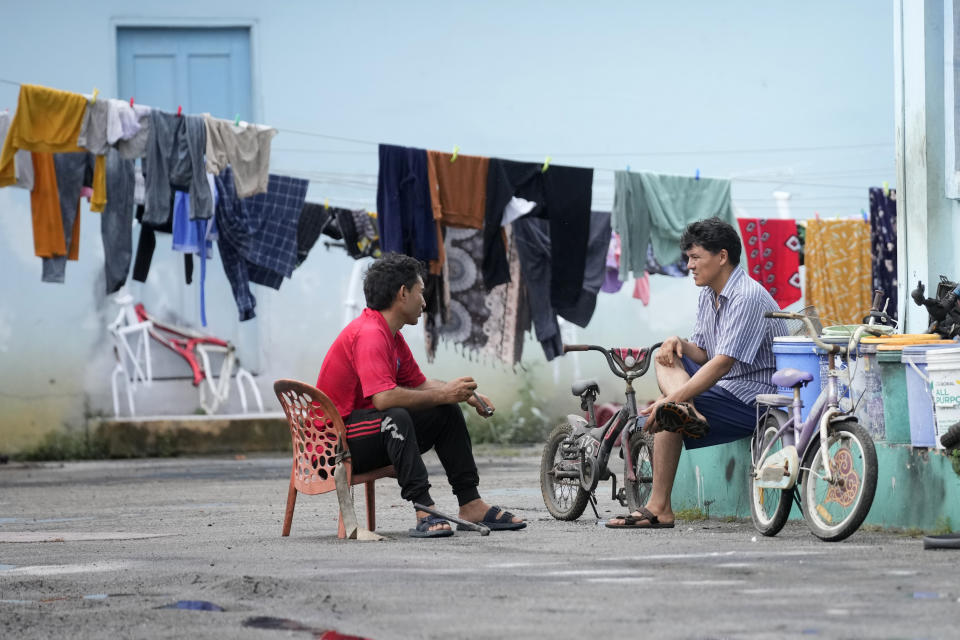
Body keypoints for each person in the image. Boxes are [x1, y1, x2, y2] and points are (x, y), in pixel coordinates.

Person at [316, 252, 526, 538]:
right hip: (332, 449)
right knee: (396, 416)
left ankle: (471, 503)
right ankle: (424, 509)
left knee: (446, 409)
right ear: (403, 294)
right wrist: (444, 394)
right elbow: (384, 399)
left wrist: (462, 394)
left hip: (360, 434)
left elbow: (420, 384)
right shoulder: (370, 334)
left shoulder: (391, 334)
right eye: (420, 292)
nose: (424, 302)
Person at [607, 217, 788, 529]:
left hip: (754, 399)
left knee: (670, 409)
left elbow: (722, 363)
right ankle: (684, 410)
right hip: (726, 387)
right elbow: (704, 353)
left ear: (721, 256)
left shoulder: (746, 296)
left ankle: (659, 507)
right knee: (665, 357)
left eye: (695, 257)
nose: (689, 265)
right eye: (688, 258)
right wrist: (677, 343)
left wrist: (672, 399)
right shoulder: (709, 293)